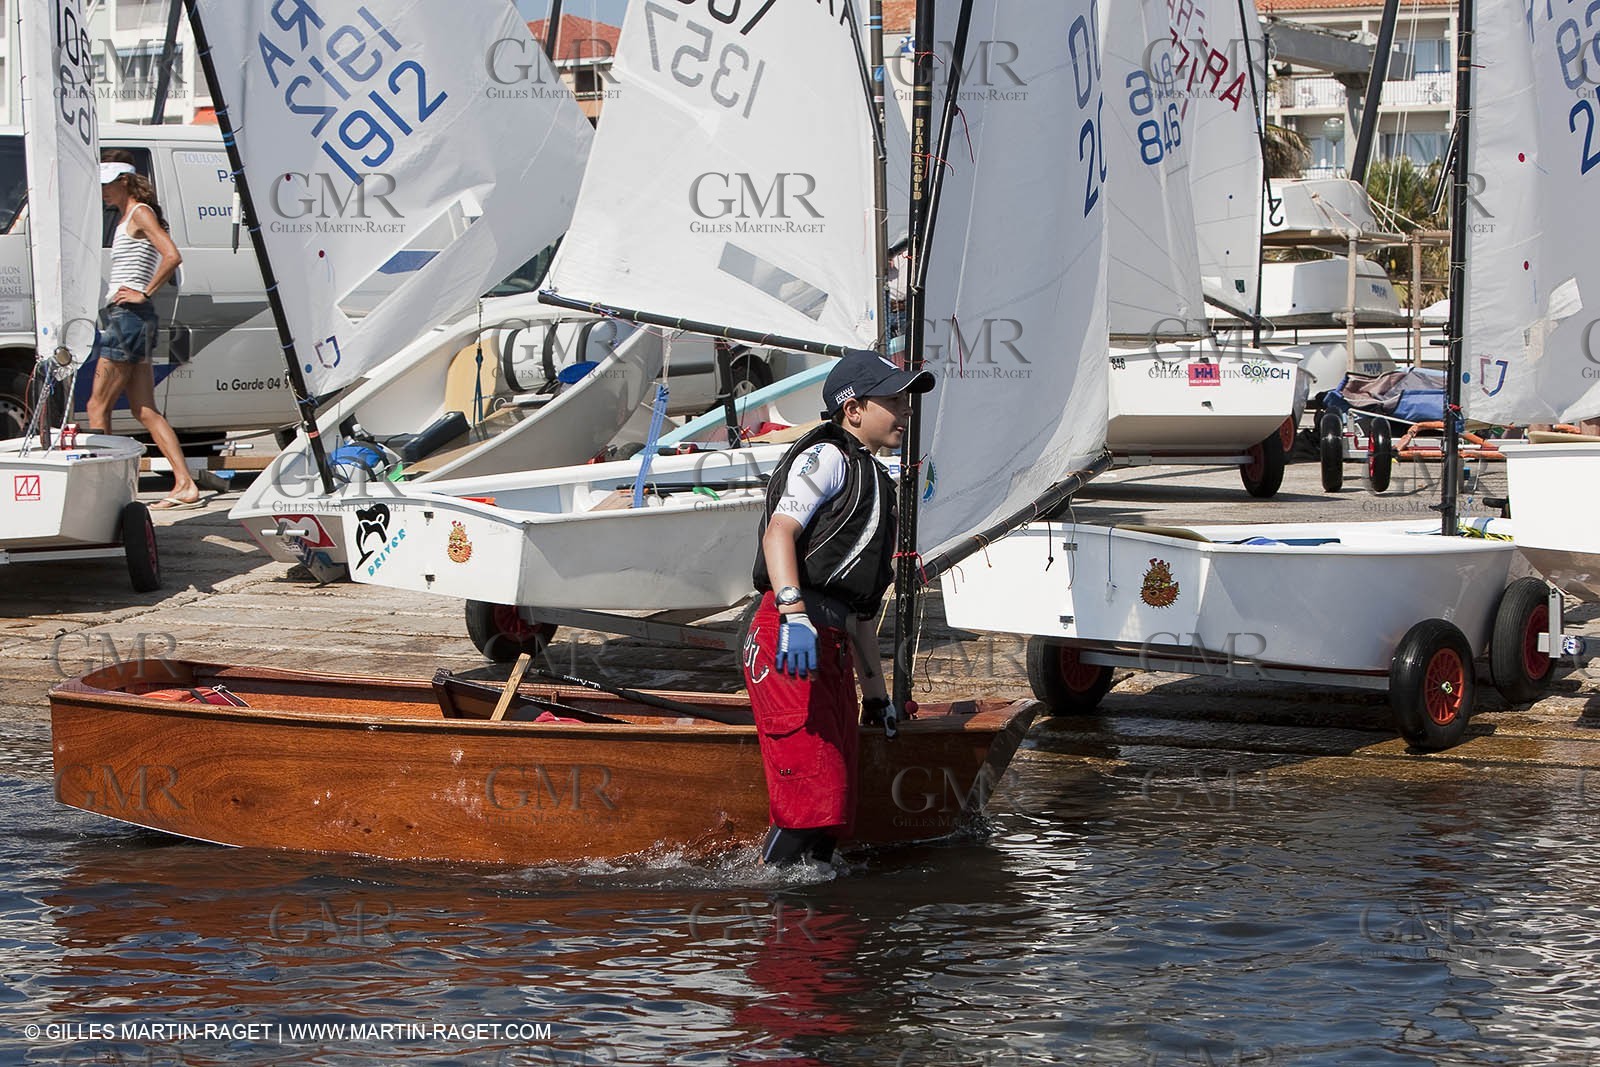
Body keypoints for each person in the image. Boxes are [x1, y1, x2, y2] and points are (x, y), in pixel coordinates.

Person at [742, 348, 935, 865]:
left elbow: (862, 615)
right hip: (788, 638)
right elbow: (780, 533)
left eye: (907, 400)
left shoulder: (878, 481)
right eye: (894, 400)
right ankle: (771, 902)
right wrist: (793, 612)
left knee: (833, 814)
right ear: (853, 409)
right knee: (812, 806)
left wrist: (876, 697)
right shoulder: (826, 457)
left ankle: (814, 919)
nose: (906, 411)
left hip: (830, 646)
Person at [87, 155, 200, 510]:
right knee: (144, 410)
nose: (103, 191)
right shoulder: (127, 216)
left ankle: (102, 493)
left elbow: (172, 255)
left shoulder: (140, 214)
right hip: (132, 318)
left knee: (96, 407)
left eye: (108, 184)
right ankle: (185, 483)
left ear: (124, 182)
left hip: (129, 318)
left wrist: (143, 292)